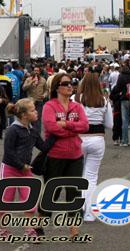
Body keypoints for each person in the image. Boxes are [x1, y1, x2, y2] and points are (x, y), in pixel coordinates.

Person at [38, 73, 89, 239]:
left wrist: (66, 124)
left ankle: (74, 228)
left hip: (75, 155)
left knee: (73, 192)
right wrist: (73, 130)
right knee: (52, 191)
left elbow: (85, 126)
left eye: (71, 83)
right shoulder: (49, 106)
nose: (69, 86)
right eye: (65, 83)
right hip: (55, 155)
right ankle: (39, 223)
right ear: (56, 87)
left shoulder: (77, 106)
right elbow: (51, 127)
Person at [0, 98, 54, 238]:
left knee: (30, 200)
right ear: (24, 115)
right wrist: (21, 165)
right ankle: (3, 230)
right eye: (33, 110)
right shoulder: (13, 130)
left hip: (25, 171)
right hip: (10, 169)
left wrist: (55, 133)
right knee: (6, 201)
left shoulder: (33, 130)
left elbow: (44, 147)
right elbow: (9, 152)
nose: (36, 112)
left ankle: (29, 230)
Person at [78, 73, 113, 222]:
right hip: (97, 139)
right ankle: (89, 213)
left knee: (80, 174)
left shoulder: (76, 98)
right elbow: (110, 124)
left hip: (79, 139)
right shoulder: (103, 100)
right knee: (91, 177)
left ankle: (80, 207)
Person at [110, 64, 130, 147]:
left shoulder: (121, 77)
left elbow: (117, 88)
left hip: (124, 100)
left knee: (125, 121)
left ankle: (124, 141)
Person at [22, 66, 48, 134]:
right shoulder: (28, 79)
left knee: (37, 118)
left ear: (40, 72)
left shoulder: (43, 80)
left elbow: (46, 90)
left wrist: (44, 95)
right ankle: (29, 132)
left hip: (39, 101)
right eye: (35, 70)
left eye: (37, 71)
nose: (36, 72)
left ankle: (37, 134)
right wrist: (31, 82)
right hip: (30, 101)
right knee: (29, 117)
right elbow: (24, 88)